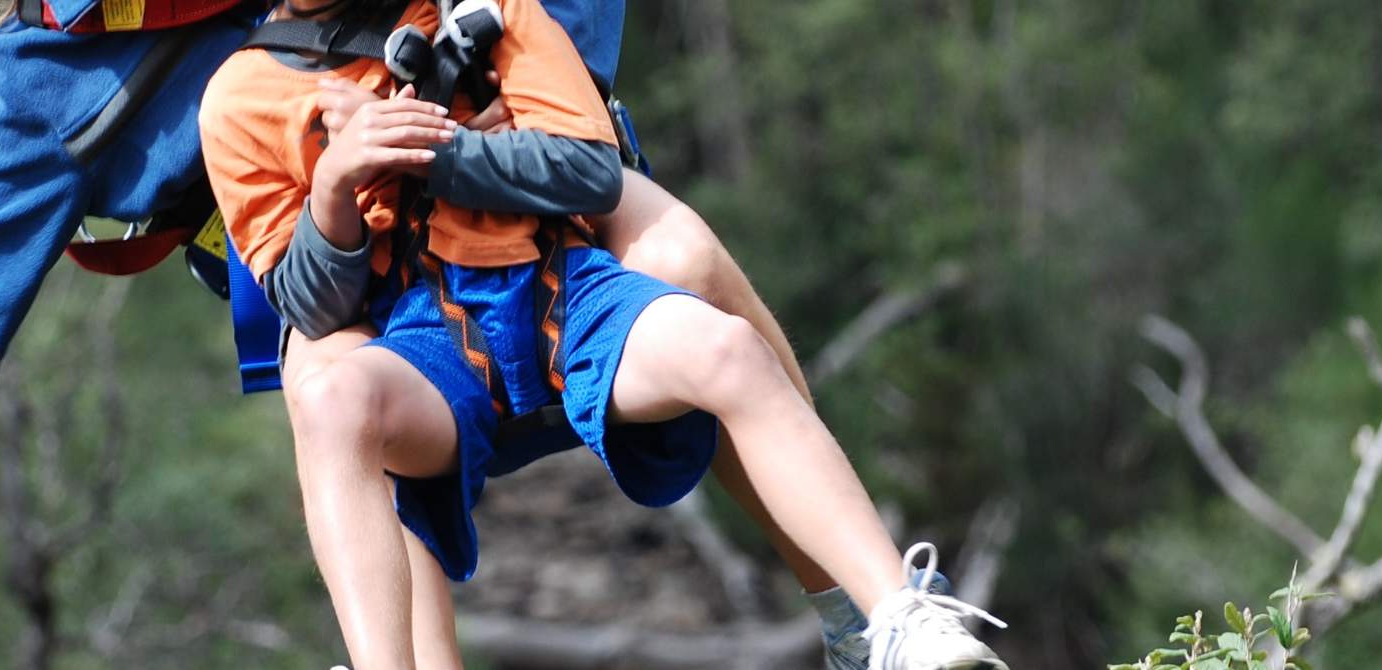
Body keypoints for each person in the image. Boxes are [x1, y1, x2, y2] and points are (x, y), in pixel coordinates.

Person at [0, 1, 904, 667]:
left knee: (683, 256)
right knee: (336, 398)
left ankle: (861, 614)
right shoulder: (40, 80)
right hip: (339, 273)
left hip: (509, 180)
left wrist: (542, 96)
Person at [196, 0, 1009, 668]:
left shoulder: (484, 11)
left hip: (565, 292)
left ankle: (895, 618)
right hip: (426, 342)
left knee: (727, 349)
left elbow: (590, 169)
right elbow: (310, 306)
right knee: (331, 401)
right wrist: (336, 186)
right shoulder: (240, 98)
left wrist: (436, 151)